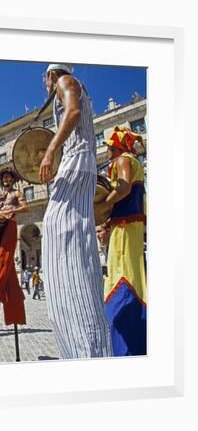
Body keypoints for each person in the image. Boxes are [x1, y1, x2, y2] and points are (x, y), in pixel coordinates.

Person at [39, 63, 112, 359]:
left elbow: (73, 113)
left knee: (59, 228)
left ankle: (85, 345)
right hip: (78, 164)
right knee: (67, 234)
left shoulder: (66, 81)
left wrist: (49, 150)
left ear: (49, 76)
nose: (45, 86)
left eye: (44, 80)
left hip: (77, 161)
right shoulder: (69, 86)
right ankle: (78, 342)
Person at [95, 126, 147, 356]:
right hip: (128, 226)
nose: (106, 151)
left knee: (122, 275)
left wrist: (105, 203)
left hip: (125, 229)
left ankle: (127, 344)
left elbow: (124, 187)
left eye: (108, 146)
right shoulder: (133, 161)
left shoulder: (123, 159)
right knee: (134, 275)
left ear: (116, 146)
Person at [0, 168, 28, 327]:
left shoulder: (17, 194)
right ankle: (15, 313)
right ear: (2, 180)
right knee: (5, 268)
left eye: (9, 178)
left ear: (12, 180)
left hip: (10, 225)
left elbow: (25, 207)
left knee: (2, 259)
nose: (7, 180)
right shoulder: (0, 194)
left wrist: (11, 210)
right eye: (5, 178)